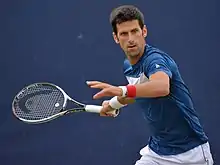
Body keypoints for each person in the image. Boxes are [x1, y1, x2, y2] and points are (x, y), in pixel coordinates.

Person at [86, 5, 214, 165]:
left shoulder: (155, 60)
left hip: (191, 154)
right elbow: (138, 93)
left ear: (144, 32)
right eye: (124, 34)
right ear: (116, 38)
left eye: (135, 31)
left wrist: (121, 90)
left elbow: (161, 87)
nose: (131, 38)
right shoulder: (128, 66)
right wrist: (113, 104)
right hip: (157, 152)